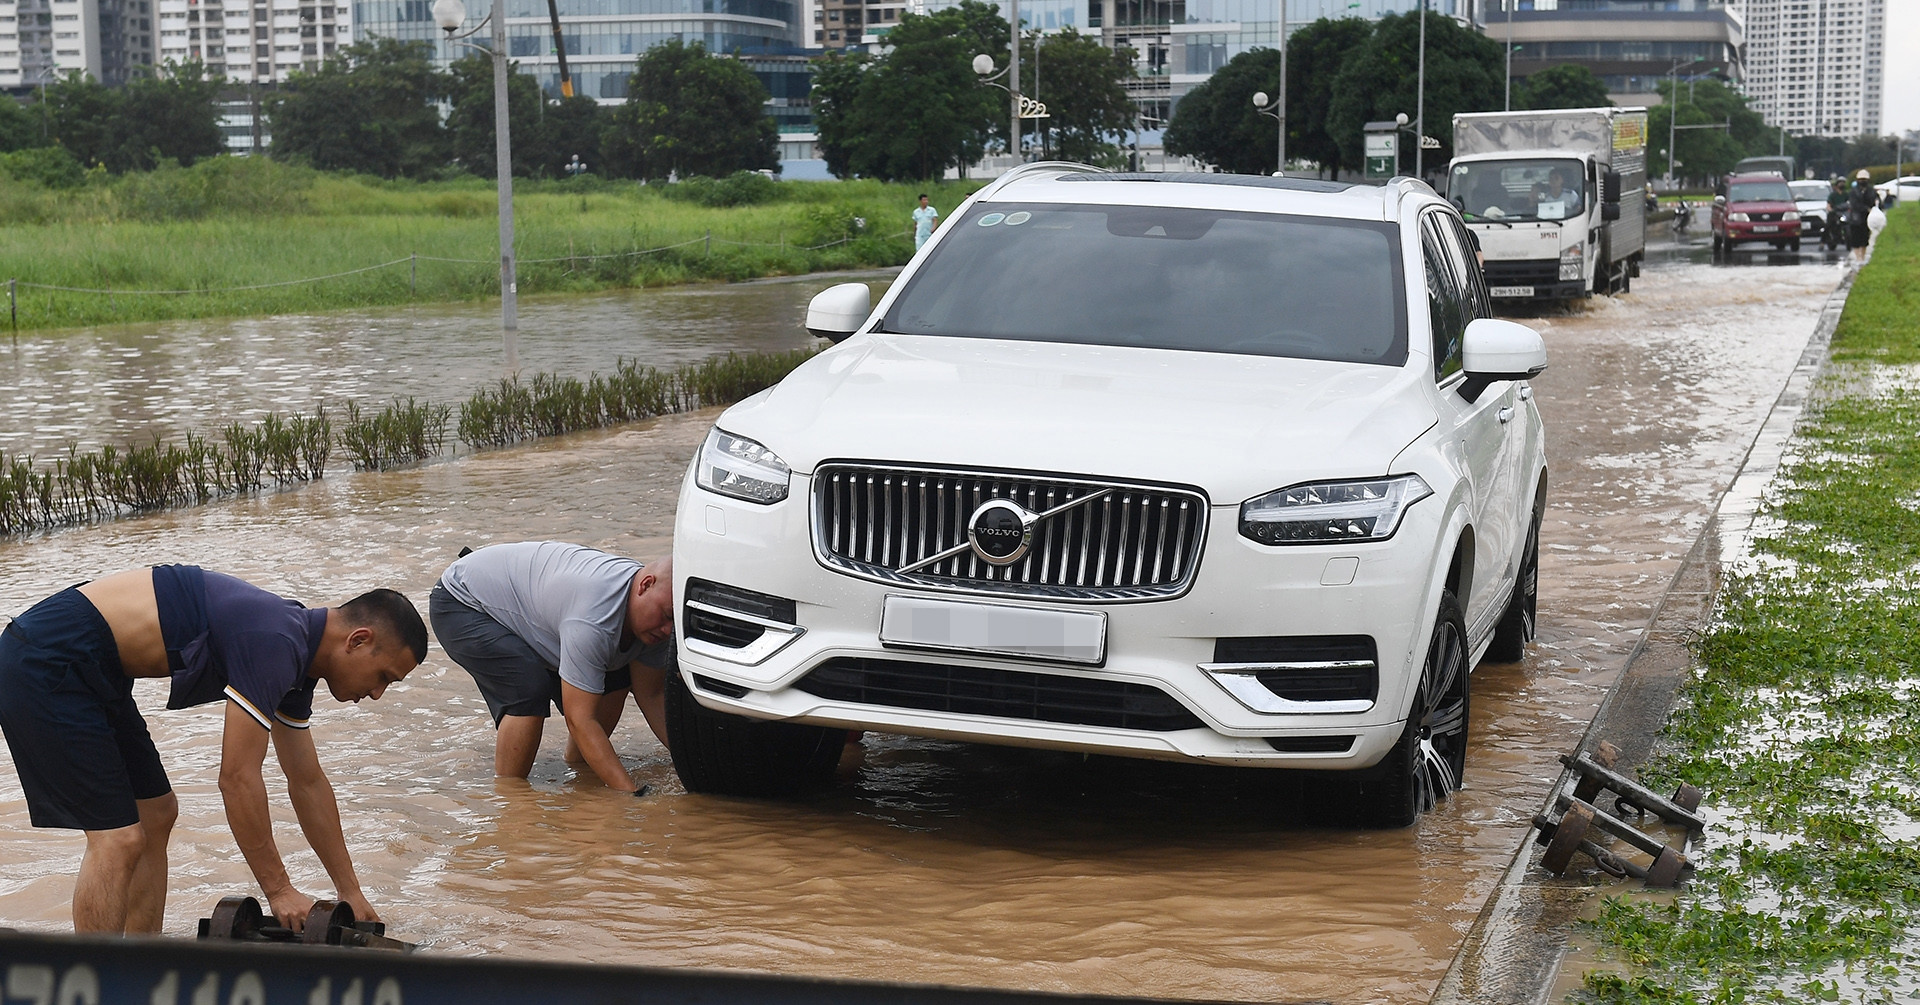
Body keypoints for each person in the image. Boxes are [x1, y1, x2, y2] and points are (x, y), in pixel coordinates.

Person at [0, 567, 426, 934]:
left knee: (156, 814)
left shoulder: (298, 656)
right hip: (47, 657)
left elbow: (307, 780)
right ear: (357, 640)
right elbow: (237, 778)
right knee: (117, 838)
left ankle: (141, 971)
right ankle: (90, 984)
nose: (376, 693)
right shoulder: (276, 639)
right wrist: (278, 890)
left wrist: (349, 891)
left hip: (96, 669)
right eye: (383, 676)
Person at [430, 542, 673, 795]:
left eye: (673, 621)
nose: (667, 629)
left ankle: (580, 769)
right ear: (645, 585)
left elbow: (653, 696)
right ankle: (511, 798)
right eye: (665, 615)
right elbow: (579, 719)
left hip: (535, 605)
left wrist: (693, 766)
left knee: (616, 678)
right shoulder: (593, 619)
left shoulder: (655, 621)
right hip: (462, 600)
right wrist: (630, 793)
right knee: (527, 687)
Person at [1847, 169, 1877, 262]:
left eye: (1864, 179)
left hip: (1867, 219)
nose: (1862, 181)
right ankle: (1857, 257)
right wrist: (1866, 208)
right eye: (1861, 179)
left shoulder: (1871, 190)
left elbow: (1874, 201)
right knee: (1856, 239)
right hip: (1856, 218)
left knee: (1864, 239)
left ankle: (1862, 257)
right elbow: (1854, 204)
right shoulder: (1853, 192)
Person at [1826, 177, 1849, 250]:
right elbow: (1828, 205)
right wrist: (1830, 210)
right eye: (1840, 183)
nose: (1842, 184)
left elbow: (1850, 203)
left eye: (1843, 183)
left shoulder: (1846, 194)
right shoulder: (1833, 195)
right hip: (1835, 213)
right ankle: (1824, 240)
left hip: (1844, 212)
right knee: (1829, 225)